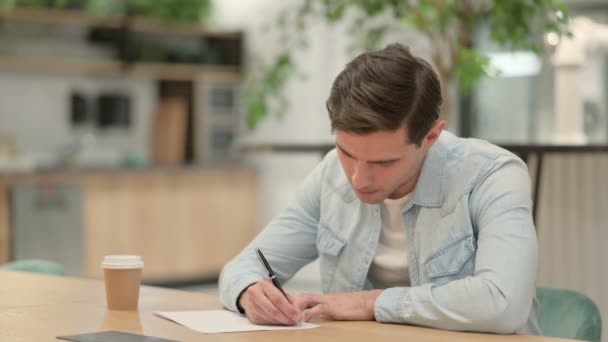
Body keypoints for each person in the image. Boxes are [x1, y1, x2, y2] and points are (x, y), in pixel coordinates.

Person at [219, 43, 540, 335]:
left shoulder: (493, 175)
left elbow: (504, 304)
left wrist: (371, 303)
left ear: (431, 136)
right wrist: (249, 292)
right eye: (347, 153)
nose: (359, 178)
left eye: (383, 163)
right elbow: (241, 268)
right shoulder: (331, 175)